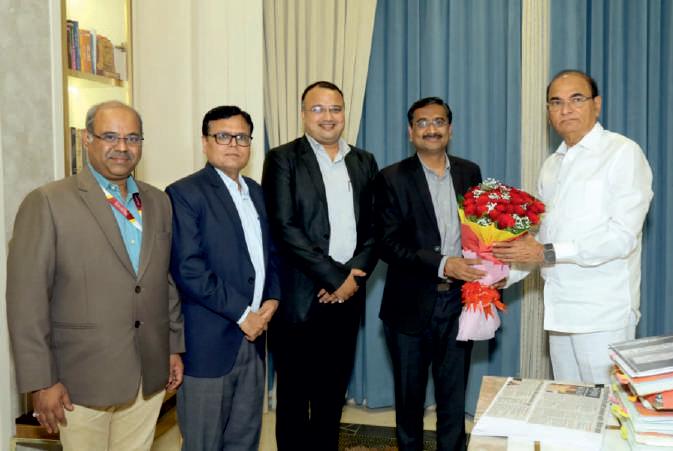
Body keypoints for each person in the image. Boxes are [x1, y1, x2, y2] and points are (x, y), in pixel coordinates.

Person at [6, 101, 184, 451]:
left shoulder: (158, 202)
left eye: (132, 138)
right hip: (79, 381)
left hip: (146, 376)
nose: (122, 147)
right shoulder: (48, 202)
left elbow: (163, 281)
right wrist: (41, 381)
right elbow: (26, 300)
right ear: (87, 139)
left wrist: (172, 347)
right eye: (110, 136)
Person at [493, 70, 654, 384]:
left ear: (597, 104)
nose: (565, 110)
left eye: (576, 99)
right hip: (559, 312)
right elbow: (541, 239)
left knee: (607, 407)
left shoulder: (622, 153)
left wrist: (544, 252)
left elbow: (621, 238)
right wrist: (500, 275)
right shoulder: (552, 165)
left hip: (603, 314)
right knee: (568, 406)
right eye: (556, 102)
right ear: (548, 111)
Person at [262, 81, 378, 451]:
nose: (328, 116)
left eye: (335, 108)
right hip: (300, 299)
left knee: (332, 394)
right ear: (303, 114)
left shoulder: (364, 161)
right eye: (318, 108)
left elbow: (375, 227)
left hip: (348, 298)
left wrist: (352, 278)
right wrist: (333, 276)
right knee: (294, 399)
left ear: (344, 113)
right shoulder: (283, 158)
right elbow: (284, 227)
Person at [373, 97, 485, 451]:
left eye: (439, 122)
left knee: (454, 396)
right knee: (409, 400)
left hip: (459, 302)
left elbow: (481, 233)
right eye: (422, 123)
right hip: (409, 305)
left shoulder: (470, 172)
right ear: (410, 132)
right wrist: (442, 263)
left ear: (450, 129)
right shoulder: (391, 178)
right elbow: (388, 244)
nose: (431, 129)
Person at [166, 105, 280, 450]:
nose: (234, 144)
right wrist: (244, 314)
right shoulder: (184, 193)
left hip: (254, 339)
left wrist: (273, 298)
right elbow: (189, 268)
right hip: (208, 345)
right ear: (205, 142)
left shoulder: (256, 192)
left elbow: (271, 253)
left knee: (245, 439)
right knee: (203, 442)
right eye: (223, 136)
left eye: (242, 137)